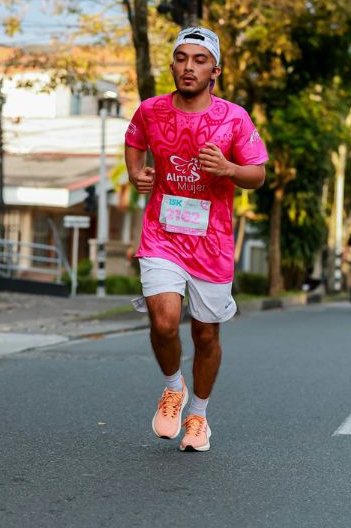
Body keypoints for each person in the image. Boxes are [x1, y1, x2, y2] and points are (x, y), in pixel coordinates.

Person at [124, 27, 268, 452]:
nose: (189, 67)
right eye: (182, 59)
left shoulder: (234, 118)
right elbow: (134, 141)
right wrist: (136, 173)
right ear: (172, 66)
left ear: (215, 70)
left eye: (199, 60)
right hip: (162, 235)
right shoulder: (150, 110)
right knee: (164, 321)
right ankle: (173, 387)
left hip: (213, 243)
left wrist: (228, 169)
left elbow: (257, 174)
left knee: (206, 335)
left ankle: (199, 416)